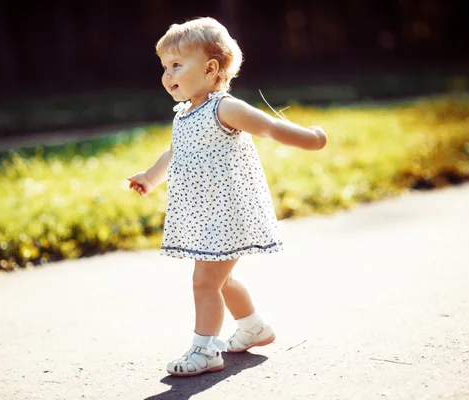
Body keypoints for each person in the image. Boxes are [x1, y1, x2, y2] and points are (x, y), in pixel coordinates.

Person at [127, 17, 327, 377]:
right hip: (205, 215)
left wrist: (310, 139)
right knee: (219, 279)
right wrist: (150, 178)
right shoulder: (185, 114)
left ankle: (204, 350)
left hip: (228, 213)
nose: (167, 74)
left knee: (205, 281)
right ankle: (253, 327)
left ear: (210, 68)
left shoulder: (224, 107)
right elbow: (175, 153)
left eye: (176, 65)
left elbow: (270, 127)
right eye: (164, 66)